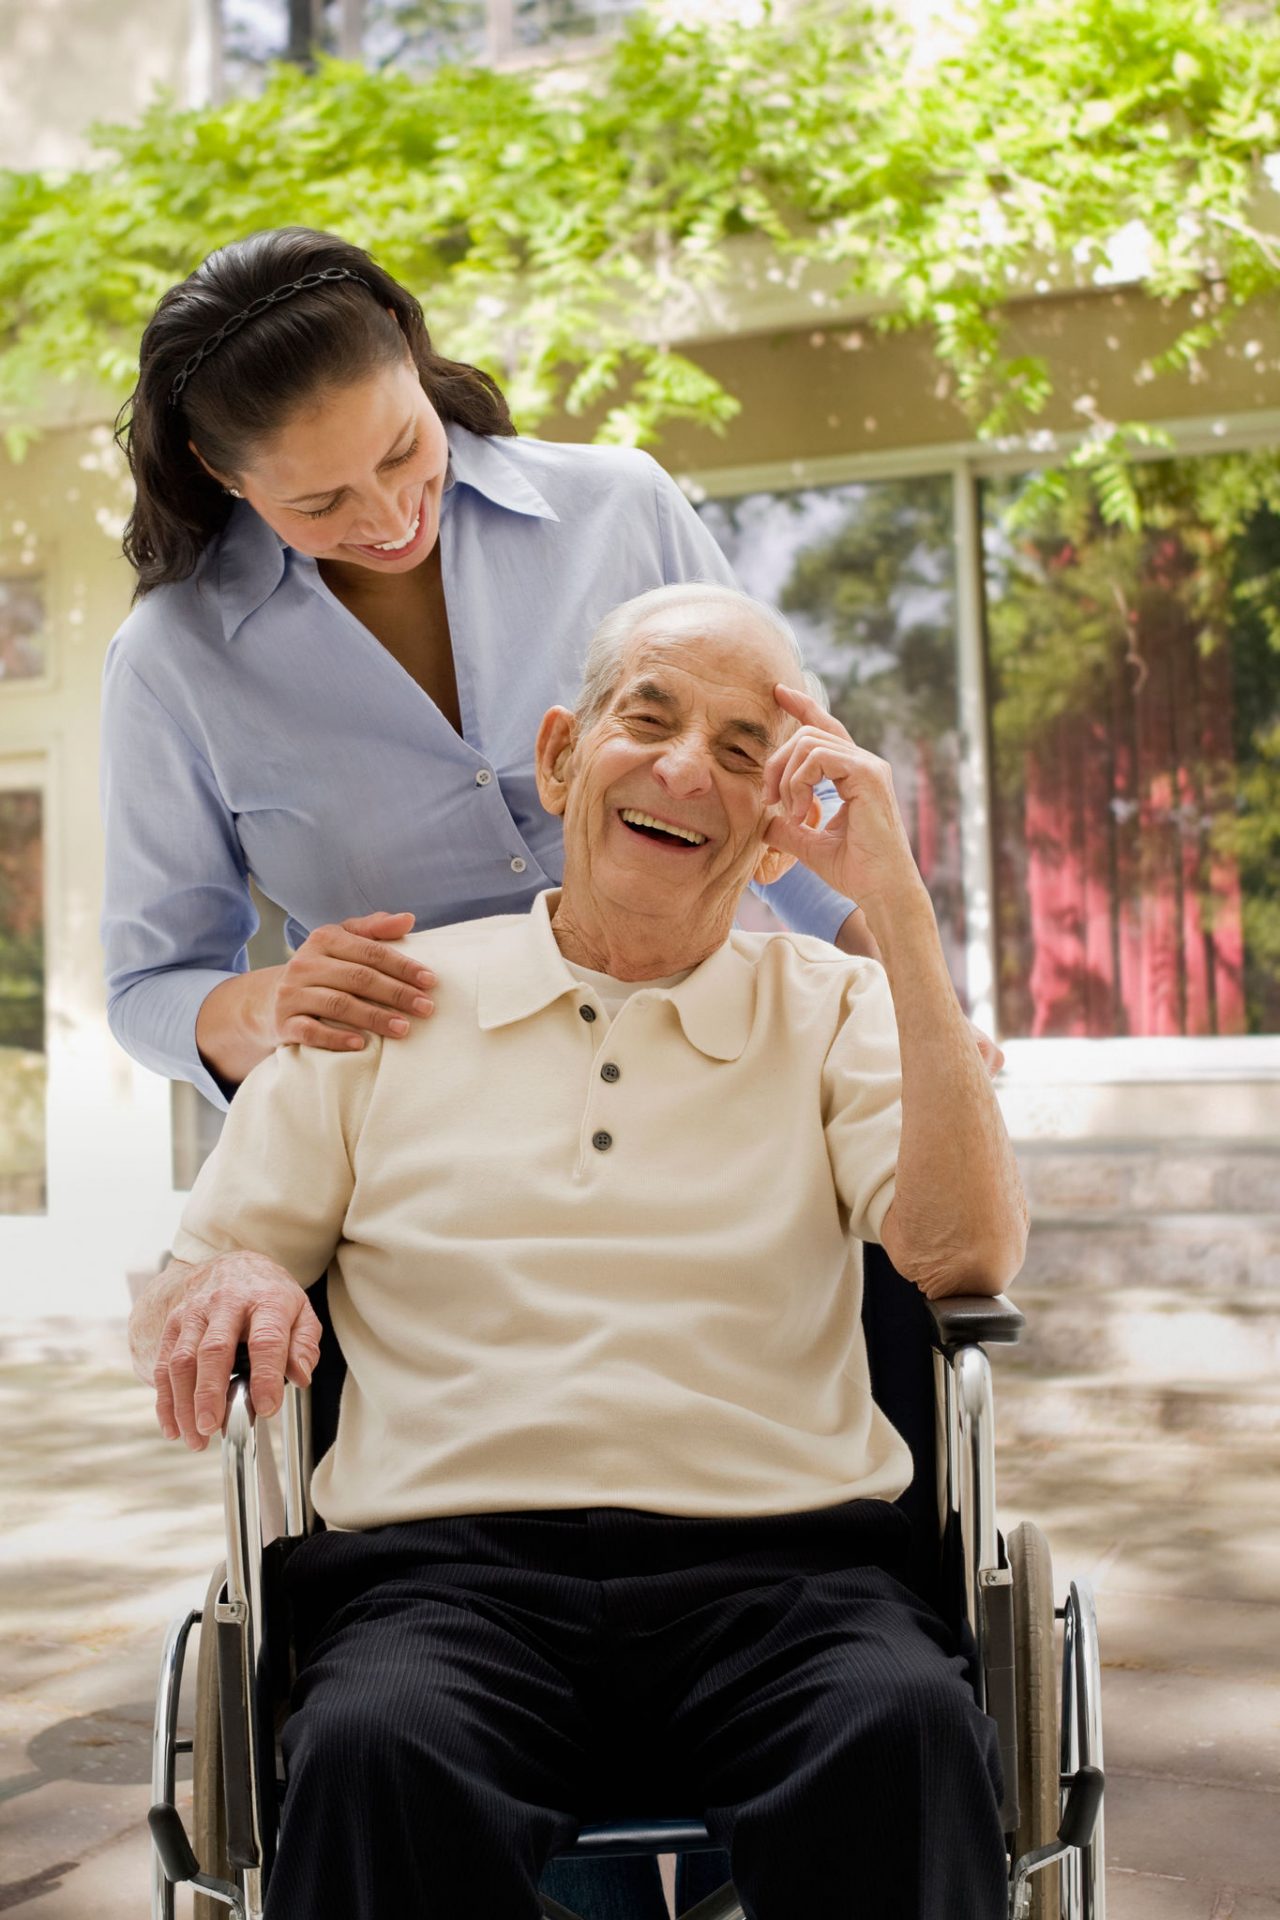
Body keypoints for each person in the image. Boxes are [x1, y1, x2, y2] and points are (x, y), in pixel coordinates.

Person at [104, 225, 998, 1917]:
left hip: (726, 1089)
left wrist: (913, 999)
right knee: (384, 1737)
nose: (387, 517)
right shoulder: (176, 660)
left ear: (431, 382)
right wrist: (272, 1010)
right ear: (224, 490)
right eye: (318, 506)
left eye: (404, 455)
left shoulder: (618, 507)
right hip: (398, 1094)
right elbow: (152, 983)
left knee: (885, 1714)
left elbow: (761, 758)